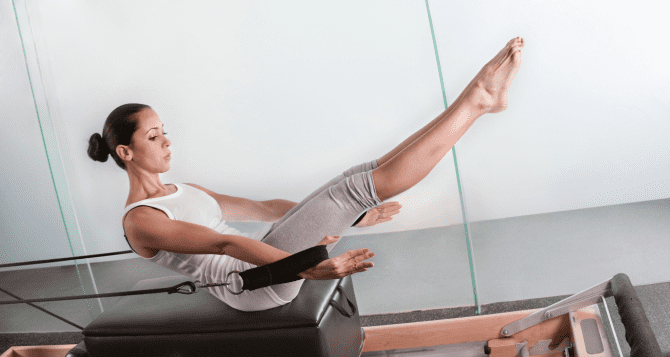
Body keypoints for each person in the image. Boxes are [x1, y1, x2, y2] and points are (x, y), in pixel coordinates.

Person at [87, 37, 524, 311]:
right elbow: (227, 242)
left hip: (264, 260)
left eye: (165, 132)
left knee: (358, 177)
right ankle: (479, 102)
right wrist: (307, 268)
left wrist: (346, 219)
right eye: (153, 137)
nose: (166, 141)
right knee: (354, 190)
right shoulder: (140, 219)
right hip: (253, 287)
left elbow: (262, 208)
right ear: (125, 152)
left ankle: (476, 102)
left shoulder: (183, 188)